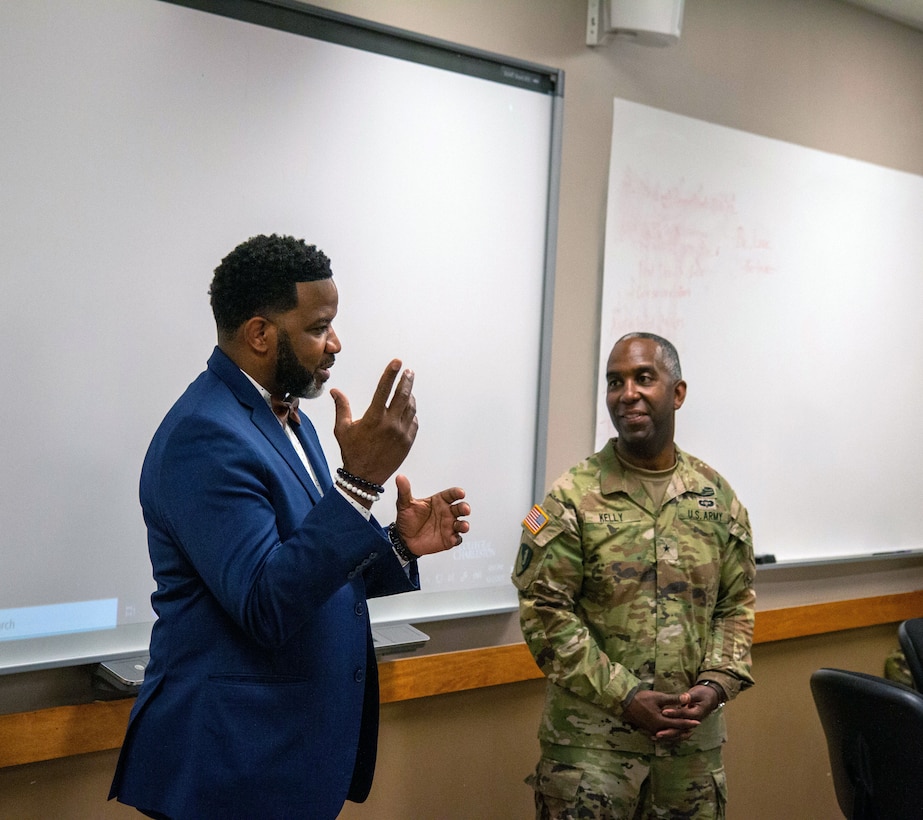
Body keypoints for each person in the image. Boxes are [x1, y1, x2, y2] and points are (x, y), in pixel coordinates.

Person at [110, 233, 470, 819]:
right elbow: (266, 603)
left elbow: (306, 566)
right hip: (231, 766)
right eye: (318, 327)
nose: (336, 344)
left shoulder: (290, 417)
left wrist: (398, 545)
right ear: (259, 334)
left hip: (288, 758)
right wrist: (358, 485)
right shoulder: (206, 437)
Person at [513, 332, 755, 819]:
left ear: (677, 392)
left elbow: (735, 603)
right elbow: (545, 613)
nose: (628, 394)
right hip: (592, 756)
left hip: (691, 754)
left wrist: (715, 683)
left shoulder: (716, 497)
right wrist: (626, 696)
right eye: (615, 382)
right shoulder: (571, 497)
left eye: (644, 378)